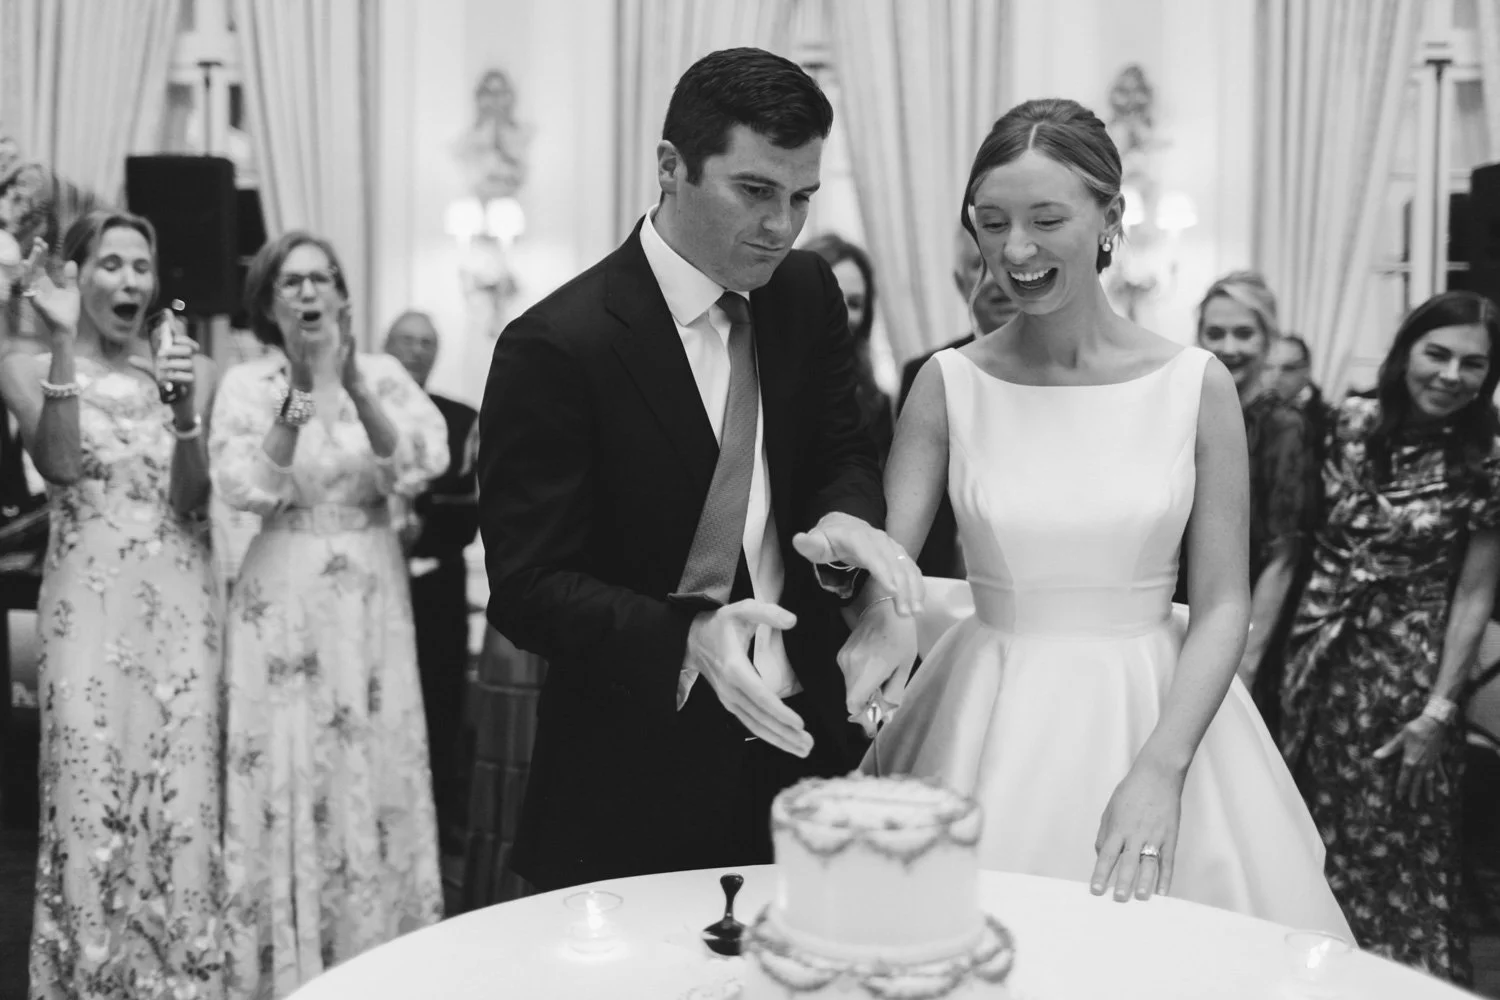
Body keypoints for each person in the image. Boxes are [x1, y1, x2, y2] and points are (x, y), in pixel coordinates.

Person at [842, 98, 1350, 936]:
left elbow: (1224, 602)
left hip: (1157, 711)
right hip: (984, 712)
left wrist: (1162, 767)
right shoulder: (947, 383)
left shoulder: (1196, 384)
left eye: (1047, 219)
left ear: (1110, 217)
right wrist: (868, 599)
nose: (1015, 250)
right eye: (992, 222)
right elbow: (885, 570)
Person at [478, 47, 920, 892]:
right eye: (754, 192)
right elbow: (527, 586)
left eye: (801, 198)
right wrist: (686, 636)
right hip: (633, 772)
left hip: (807, 751)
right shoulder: (558, 346)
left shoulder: (805, 295)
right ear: (670, 168)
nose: (782, 227)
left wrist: (848, 520)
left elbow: (840, 454)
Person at [212, 232, 450, 997]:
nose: (309, 294)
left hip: (370, 599)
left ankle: (375, 961)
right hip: (283, 593)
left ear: (344, 296)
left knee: (373, 755)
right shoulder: (248, 383)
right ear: (269, 301)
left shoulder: (381, 372)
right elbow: (248, 484)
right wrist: (305, 390)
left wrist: (352, 382)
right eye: (292, 282)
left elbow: (418, 460)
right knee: (289, 757)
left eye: (322, 279)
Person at [0, 212, 225, 998]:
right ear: (76, 275)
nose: (130, 282)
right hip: (87, 612)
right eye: (111, 265)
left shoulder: (179, 368)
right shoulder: (24, 366)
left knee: (181, 803)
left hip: (179, 606)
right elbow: (60, 464)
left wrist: (186, 408)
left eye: (142, 267)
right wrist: (63, 341)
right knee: (90, 797)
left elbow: (195, 501)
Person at [1279, 291, 1500, 985]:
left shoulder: (1485, 456)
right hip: (1316, 663)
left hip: (1405, 680)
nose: (1451, 375)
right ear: (1406, 353)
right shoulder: (1347, 425)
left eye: (1473, 364)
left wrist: (1439, 708)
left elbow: (1473, 595)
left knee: (1402, 852)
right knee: (1307, 841)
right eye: (1438, 354)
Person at [1182, 272, 1315, 734]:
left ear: (1268, 338)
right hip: (1180, 608)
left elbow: (1283, 556)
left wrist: (1245, 658)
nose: (1229, 346)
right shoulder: (1184, 410)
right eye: (1215, 333)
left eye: (1244, 332)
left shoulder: (1283, 425)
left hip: (1246, 618)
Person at [385, 309, 480, 852]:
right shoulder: (354, 408)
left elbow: (466, 515)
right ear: (385, 345)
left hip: (435, 589)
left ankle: (440, 827)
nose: (416, 351)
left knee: (439, 706)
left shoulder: (461, 419)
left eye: (426, 342)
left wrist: (421, 524)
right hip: (373, 583)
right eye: (407, 340)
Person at [804, 234, 894, 461]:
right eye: (830, 298)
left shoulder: (875, 404)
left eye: (854, 303)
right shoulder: (755, 379)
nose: (842, 314)